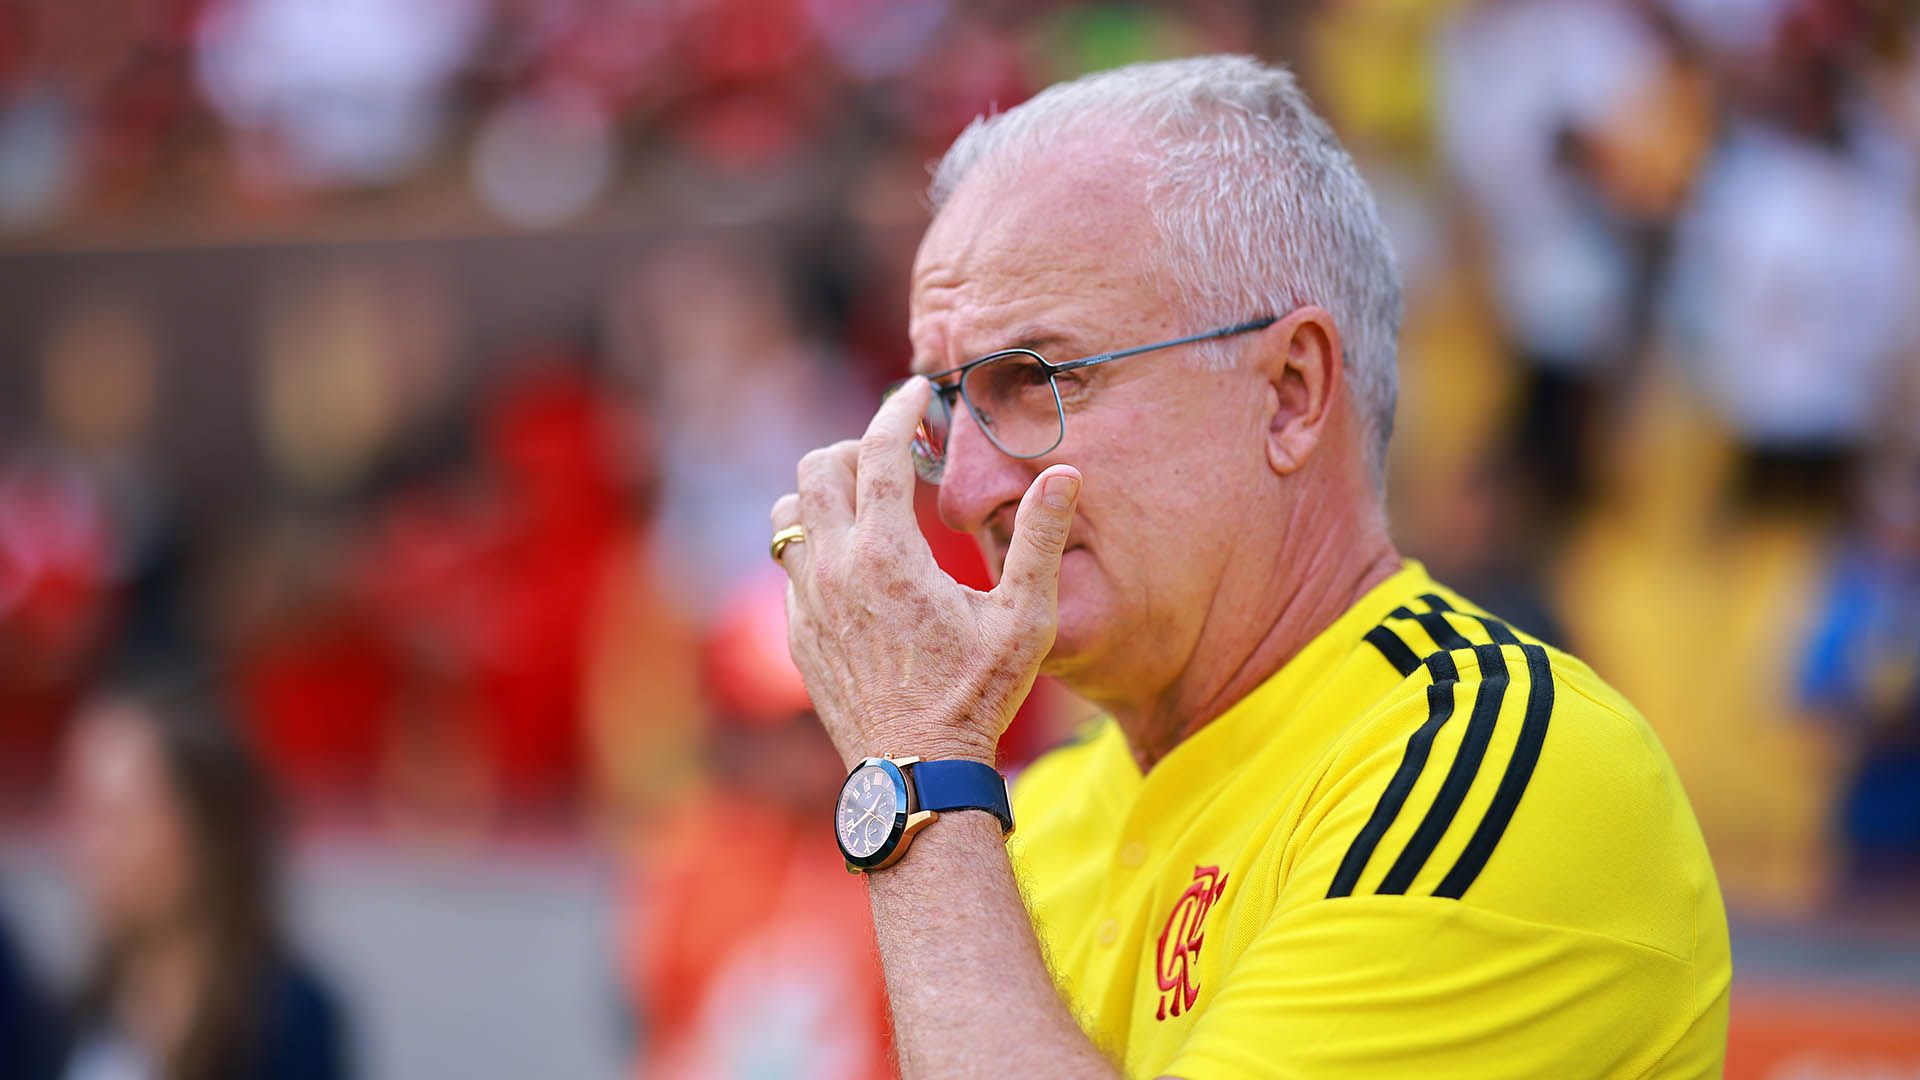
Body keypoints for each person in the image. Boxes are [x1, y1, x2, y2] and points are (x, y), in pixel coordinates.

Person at [769, 56, 1729, 1077]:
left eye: (1034, 380)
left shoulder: (1499, 764)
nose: (961, 495)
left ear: (1289, 393)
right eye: (947, 406)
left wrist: (916, 766)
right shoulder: (1026, 823)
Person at [59, 683, 351, 1080]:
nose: (89, 848)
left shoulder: (285, 1020)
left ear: (203, 831)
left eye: (117, 820)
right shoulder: (73, 1013)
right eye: (82, 816)